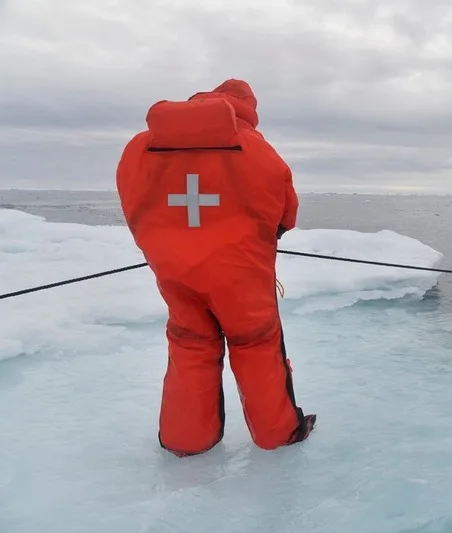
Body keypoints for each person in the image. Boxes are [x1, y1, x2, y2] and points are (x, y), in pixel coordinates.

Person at [115, 79, 316, 457]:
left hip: (175, 271)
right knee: (255, 344)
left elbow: (133, 203)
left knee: (190, 344)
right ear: (248, 106)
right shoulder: (255, 148)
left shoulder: (140, 147)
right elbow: (286, 213)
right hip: (241, 274)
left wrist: (164, 244)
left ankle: (185, 442)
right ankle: (278, 436)